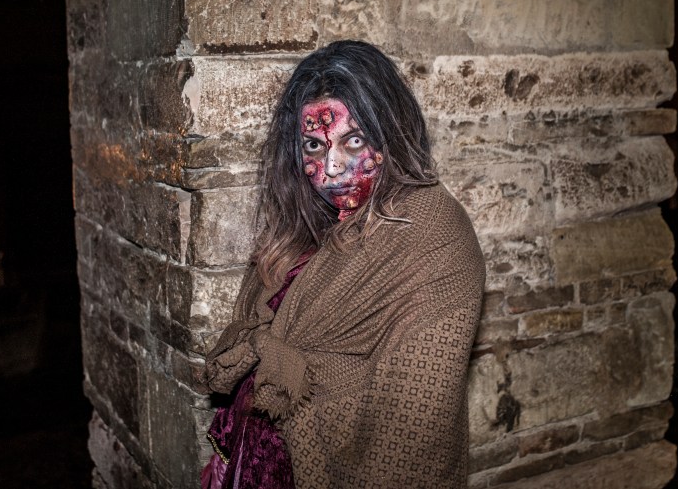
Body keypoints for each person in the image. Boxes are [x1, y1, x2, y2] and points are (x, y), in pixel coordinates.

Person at [199, 40, 485, 489]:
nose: (331, 168)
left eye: (353, 141)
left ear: (391, 134)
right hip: (253, 463)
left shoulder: (434, 233)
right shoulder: (301, 225)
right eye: (314, 145)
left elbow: (415, 423)